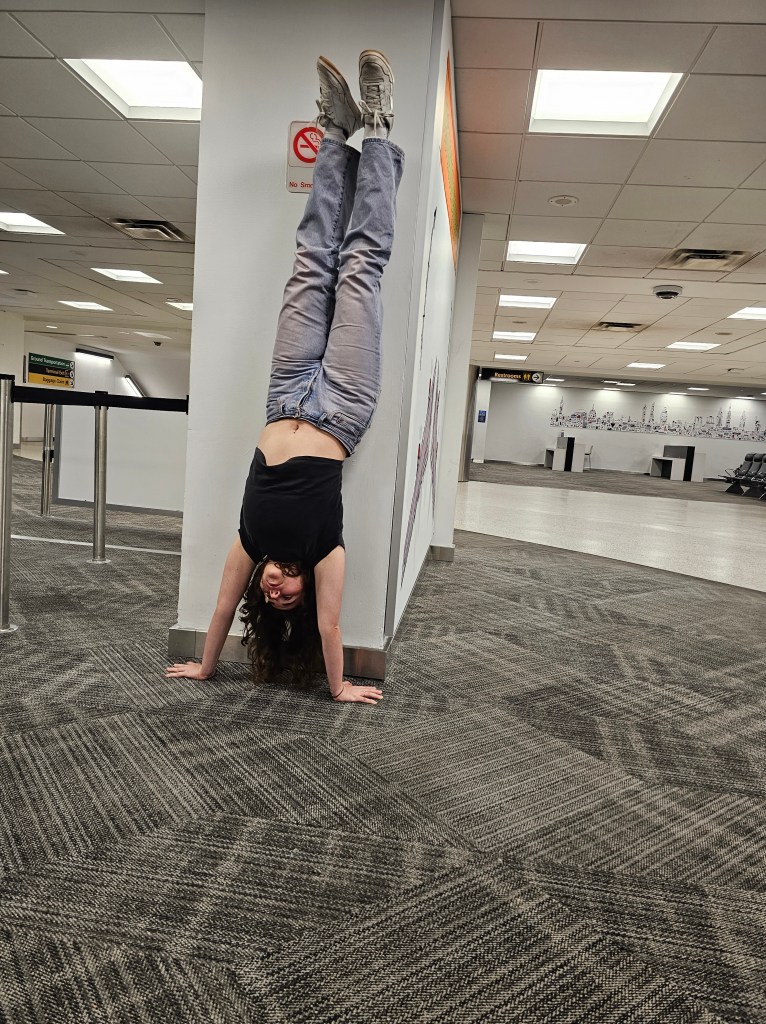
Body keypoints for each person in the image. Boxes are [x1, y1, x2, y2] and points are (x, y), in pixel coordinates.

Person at [166, 51, 404, 705]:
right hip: (343, 407)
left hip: (285, 396)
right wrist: (342, 687)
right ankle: (379, 127)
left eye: (270, 594)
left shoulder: (251, 544)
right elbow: (330, 626)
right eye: (285, 594)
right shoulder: (325, 550)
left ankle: (335, 130)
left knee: (309, 259)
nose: (276, 588)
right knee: (360, 265)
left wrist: (207, 666)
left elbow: (217, 610)